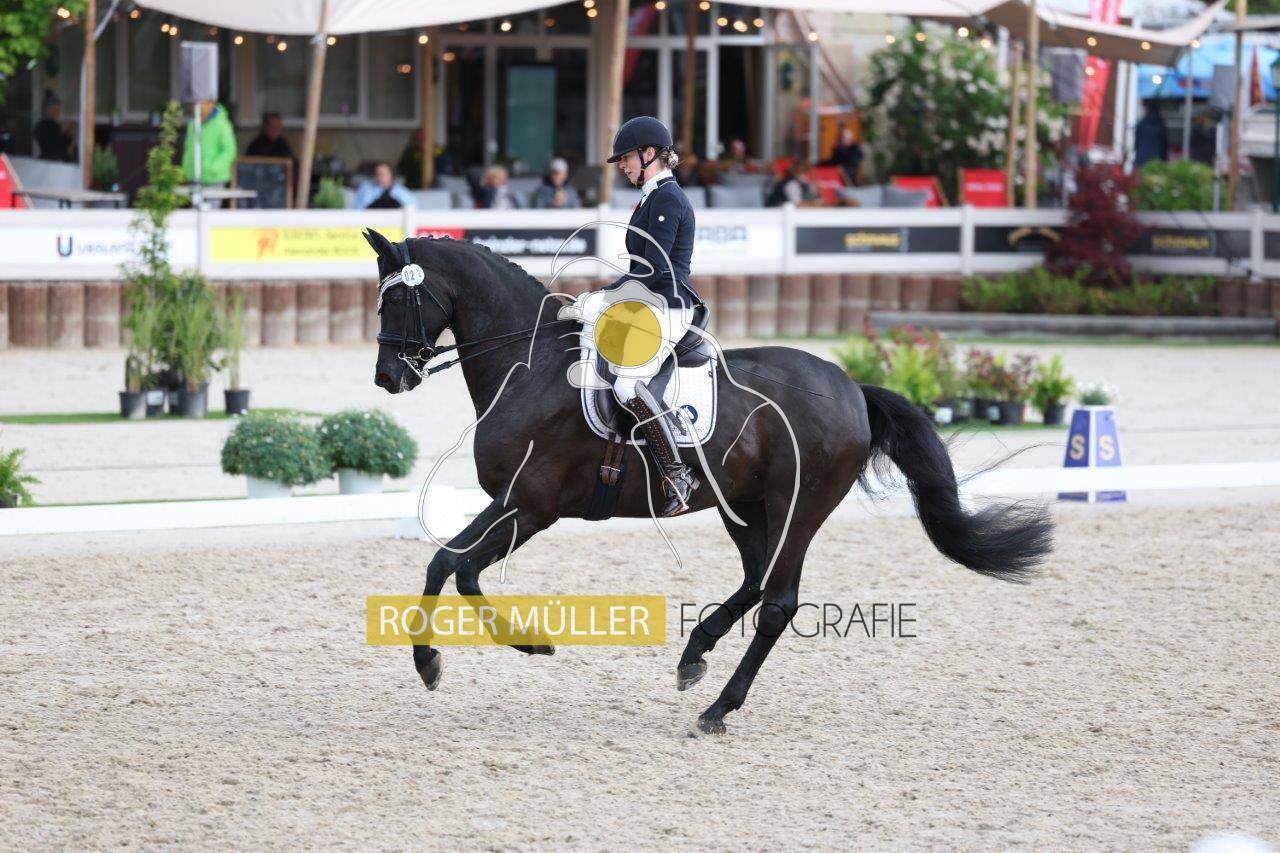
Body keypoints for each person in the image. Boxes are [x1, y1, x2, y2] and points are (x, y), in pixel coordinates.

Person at [602, 115, 704, 516]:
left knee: (628, 386)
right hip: (647, 304)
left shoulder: (667, 199)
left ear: (649, 154)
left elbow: (655, 269)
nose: (622, 166)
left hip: (668, 305)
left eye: (626, 158)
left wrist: (607, 295)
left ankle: (677, 473)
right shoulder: (650, 197)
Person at [181, 100, 237, 187]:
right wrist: (186, 168)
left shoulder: (222, 124)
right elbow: (188, 147)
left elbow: (229, 150)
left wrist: (213, 168)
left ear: (211, 104)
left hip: (214, 178)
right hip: (192, 176)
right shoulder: (192, 123)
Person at [32, 92, 75, 162]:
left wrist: (68, 134)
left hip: (62, 162)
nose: (57, 112)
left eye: (58, 109)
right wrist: (61, 130)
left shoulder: (58, 126)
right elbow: (50, 146)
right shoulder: (42, 126)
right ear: (47, 109)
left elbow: (69, 150)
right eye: (54, 109)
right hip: (49, 162)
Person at [1134, 100, 1169, 168]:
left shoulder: (1142, 124)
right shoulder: (1160, 124)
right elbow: (1164, 144)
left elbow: (1136, 142)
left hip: (1141, 157)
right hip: (1156, 158)